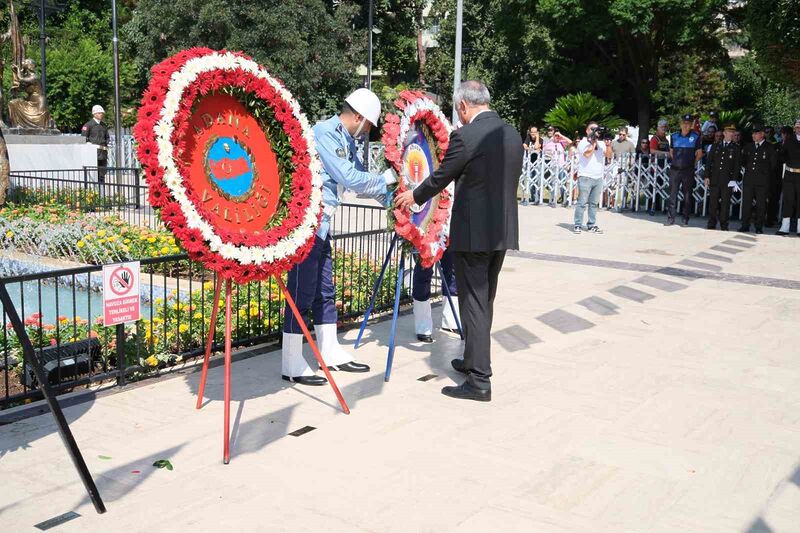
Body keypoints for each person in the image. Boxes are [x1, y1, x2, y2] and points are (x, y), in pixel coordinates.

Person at [395, 80, 522, 402]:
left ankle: (479, 381)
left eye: (459, 111)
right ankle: (471, 360)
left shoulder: (466, 136)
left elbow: (441, 177)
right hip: (501, 233)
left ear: (464, 106)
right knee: (484, 301)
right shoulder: (512, 134)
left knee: (474, 304)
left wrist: (414, 195)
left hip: (474, 234)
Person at [281, 88, 397, 386]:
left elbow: (363, 183)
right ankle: (291, 361)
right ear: (358, 117)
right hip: (306, 225)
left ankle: (329, 350)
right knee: (301, 291)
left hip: (323, 224)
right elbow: (348, 177)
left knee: (324, 289)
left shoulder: (347, 139)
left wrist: (398, 200)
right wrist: (385, 179)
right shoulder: (324, 133)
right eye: (368, 125)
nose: (367, 132)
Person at [412, 250, 460, 343]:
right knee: (423, 273)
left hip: (447, 236)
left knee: (452, 269)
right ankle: (423, 326)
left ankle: (451, 322)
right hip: (426, 238)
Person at [572, 123, 612, 233]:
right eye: (592, 129)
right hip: (585, 176)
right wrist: (593, 143)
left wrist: (608, 144)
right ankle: (578, 224)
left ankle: (591, 224)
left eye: (596, 129)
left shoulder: (601, 143)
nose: (594, 131)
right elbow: (587, 154)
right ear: (587, 130)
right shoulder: (583, 142)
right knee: (582, 202)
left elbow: (609, 156)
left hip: (598, 177)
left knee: (594, 203)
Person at [665, 114, 703, 226]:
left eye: (688, 124)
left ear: (691, 125)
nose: (686, 126)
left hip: (688, 170)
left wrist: (691, 163)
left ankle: (685, 219)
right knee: (672, 195)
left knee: (687, 195)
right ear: (681, 124)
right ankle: (670, 219)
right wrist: (677, 161)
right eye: (684, 123)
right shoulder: (674, 136)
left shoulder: (696, 137)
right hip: (675, 170)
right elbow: (671, 152)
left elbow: (699, 154)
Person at [739, 124, 777, 233]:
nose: (753, 135)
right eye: (753, 133)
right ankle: (745, 225)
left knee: (761, 204)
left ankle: (758, 226)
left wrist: (764, 174)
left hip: (762, 180)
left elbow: (773, 164)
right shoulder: (748, 146)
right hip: (749, 179)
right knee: (746, 202)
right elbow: (744, 161)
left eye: (756, 133)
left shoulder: (769, 147)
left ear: (762, 134)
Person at [704, 124, 741, 231]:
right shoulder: (715, 146)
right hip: (715, 178)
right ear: (724, 133)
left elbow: (737, 166)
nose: (732, 134)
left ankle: (724, 224)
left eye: (733, 132)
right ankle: (711, 223)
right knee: (713, 203)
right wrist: (707, 176)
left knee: (725, 203)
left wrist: (734, 180)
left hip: (727, 180)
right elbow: (709, 163)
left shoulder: (735, 148)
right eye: (729, 132)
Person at [776, 119, 800, 236]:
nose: (798, 129)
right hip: (790, 174)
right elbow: (782, 155)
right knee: (788, 200)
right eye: (797, 127)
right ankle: (785, 227)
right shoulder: (789, 140)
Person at [542, 128, 572, 207]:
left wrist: (561, 136)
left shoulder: (562, 143)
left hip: (562, 166)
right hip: (553, 166)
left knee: (562, 184)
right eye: (556, 136)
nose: (557, 137)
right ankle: (552, 200)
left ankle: (564, 199)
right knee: (552, 184)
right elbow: (544, 151)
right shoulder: (549, 143)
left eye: (558, 136)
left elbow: (570, 142)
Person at [82, 105, 110, 183]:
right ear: (94, 114)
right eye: (99, 113)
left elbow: (107, 137)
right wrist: (88, 144)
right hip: (93, 152)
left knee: (102, 172)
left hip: (103, 152)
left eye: (101, 113)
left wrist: (107, 143)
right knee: (94, 173)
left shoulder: (104, 125)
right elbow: (83, 137)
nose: (101, 115)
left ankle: (102, 190)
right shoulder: (88, 125)